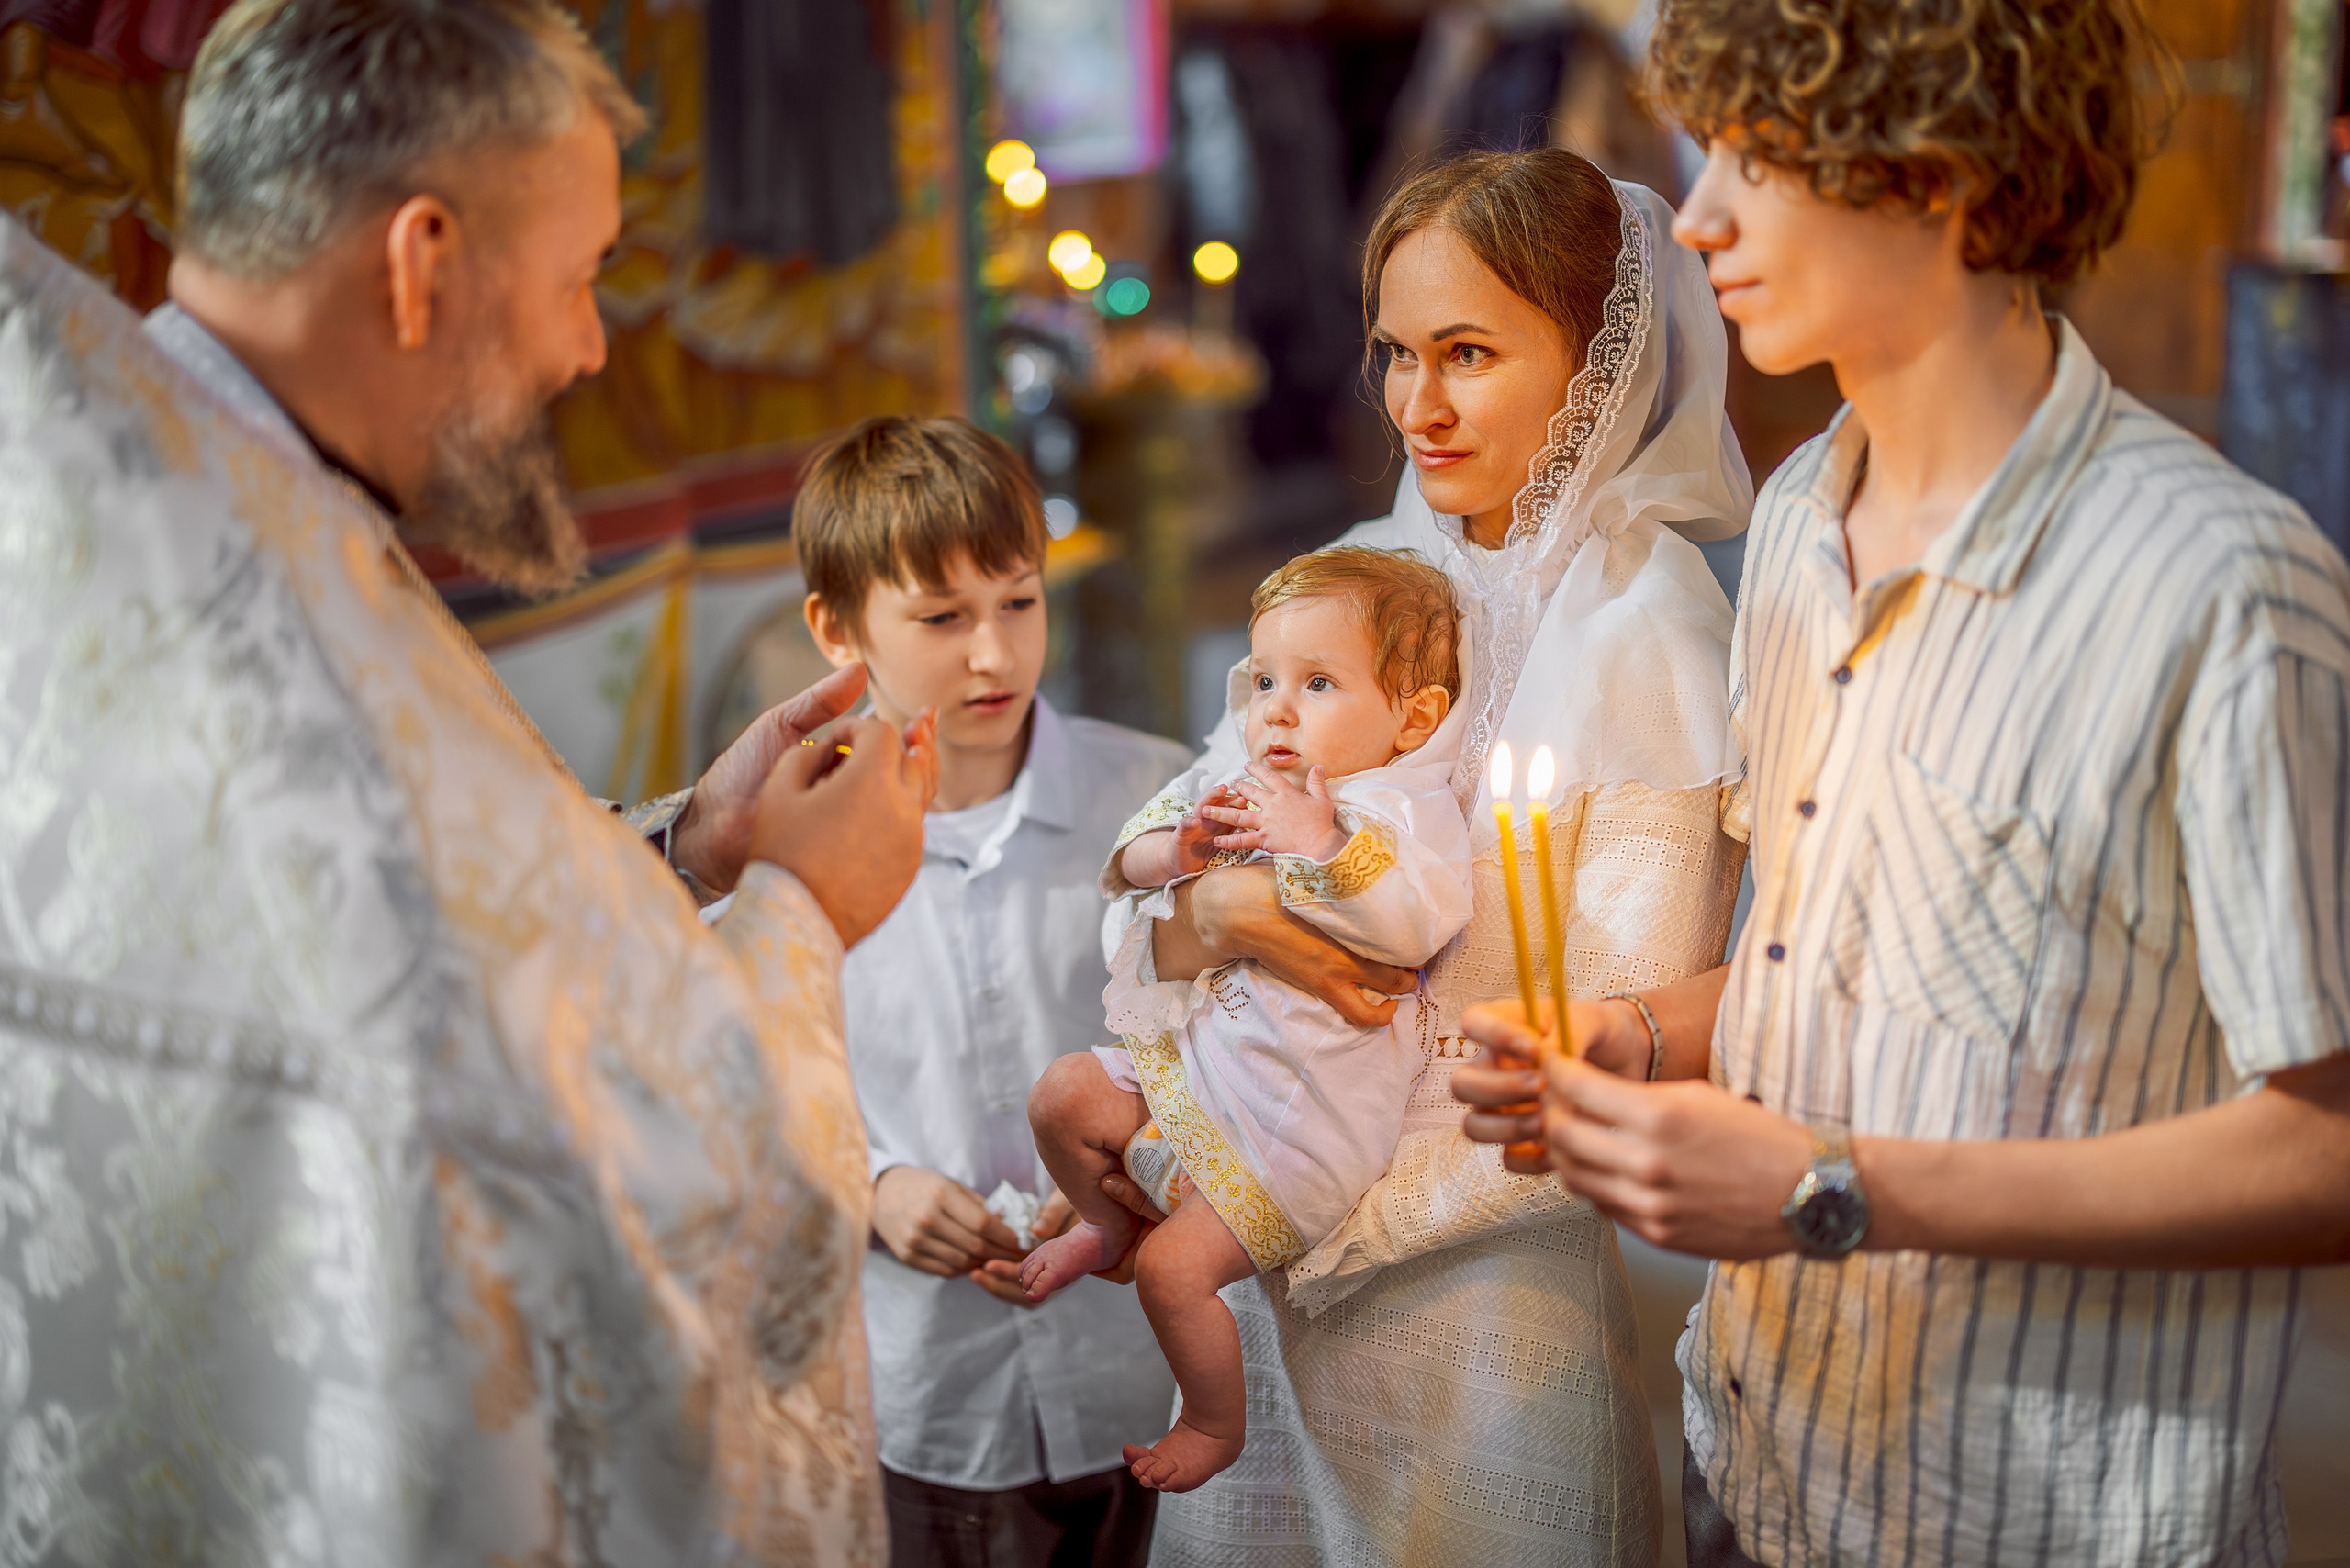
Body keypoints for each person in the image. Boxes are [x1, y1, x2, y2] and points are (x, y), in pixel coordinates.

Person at [0, 0, 934, 1558]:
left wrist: (686, 848)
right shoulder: (314, 693)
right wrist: (799, 913)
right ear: (423, 262)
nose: (590, 346)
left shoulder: (149, 492)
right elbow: (701, 1247)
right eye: (580, 279)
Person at [1455, 2, 2350, 1563]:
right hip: (1766, 1455)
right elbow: (1850, 966)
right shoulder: (1801, 516)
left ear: (1930, 173)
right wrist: (1640, 1034)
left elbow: (2326, 1145)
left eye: (1758, 156)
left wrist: (1832, 1184)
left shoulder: (2224, 586)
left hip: (2043, 1514)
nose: (1703, 211)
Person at [1128, 147, 1755, 1563]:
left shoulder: (1649, 640)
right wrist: (1218, 911)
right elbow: (1178, 874)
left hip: (1473, 1307)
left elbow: (1584, 1058)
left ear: (1598, 353)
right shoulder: (1370, 574)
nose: (1419, 404)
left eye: (1468, 352)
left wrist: (1314, 1225)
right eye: (1397, 355)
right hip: (1262, 1269)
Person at [797, 416, 1190, 1567]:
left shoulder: (1157, 800)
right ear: (835, 627)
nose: (994, 656)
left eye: (1019, 601)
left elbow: (1243, 1044)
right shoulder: (787, 845)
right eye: (940, 617)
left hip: (1153, 1368)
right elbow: (740, 1089)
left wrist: (1141, 1157)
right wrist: (868, 1186)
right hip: (933, 1394)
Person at [1024, 546, 1474, 1493]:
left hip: (1296, 1124)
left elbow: (1411, 923)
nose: (1273, 706)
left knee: (1173, 1274)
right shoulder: (1240, 769)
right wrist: (1173, 850)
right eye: (1264, 676)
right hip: (1199, 1069)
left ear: (1413, 715)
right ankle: (1108, 1224)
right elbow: (1129, 857)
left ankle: (1212, 1421)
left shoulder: (1401, 809)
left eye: (1316, 683)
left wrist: (1319, 845)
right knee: (1061, 1095)